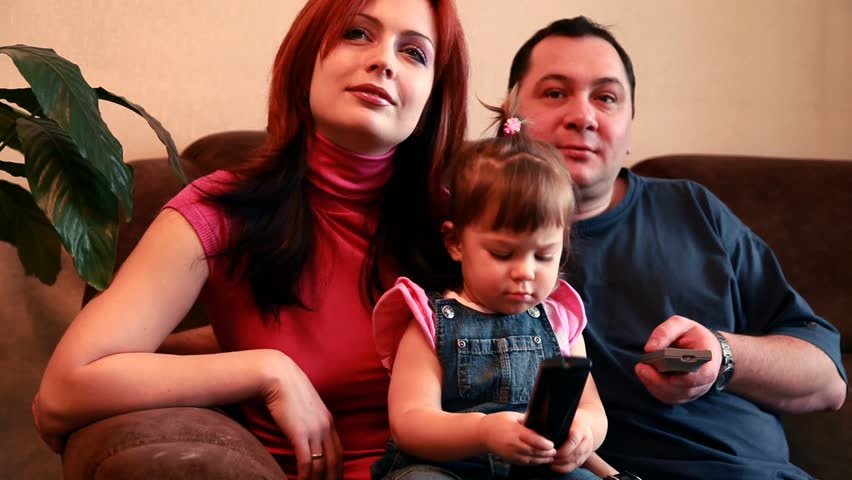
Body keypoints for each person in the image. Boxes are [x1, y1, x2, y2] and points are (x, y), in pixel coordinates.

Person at [33, 1, 469, 479]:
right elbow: (62, 391)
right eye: (358, 34)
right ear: (307, 59)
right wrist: (265, 370)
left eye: (414, 52)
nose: (384, 60)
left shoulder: (460, 224)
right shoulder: (222, 211)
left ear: (433, 98)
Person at [507, 16, 847, 479]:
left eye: (606, 98)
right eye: (554, 93)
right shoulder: (472, 233)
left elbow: (828, 382)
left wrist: (718, 356)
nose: (583, 116)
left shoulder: (693, 209)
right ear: (511, 111)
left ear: (628, 127)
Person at [370, 106, 607, 480]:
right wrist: (483, 432)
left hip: (535, 467)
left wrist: (584, 432)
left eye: (544, 255)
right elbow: (410, 422)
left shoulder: (560, 321)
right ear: (455, 243)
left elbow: (591, 407)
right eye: (502, 253)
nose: (525, 272)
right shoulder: (430, 321)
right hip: (445, 467)